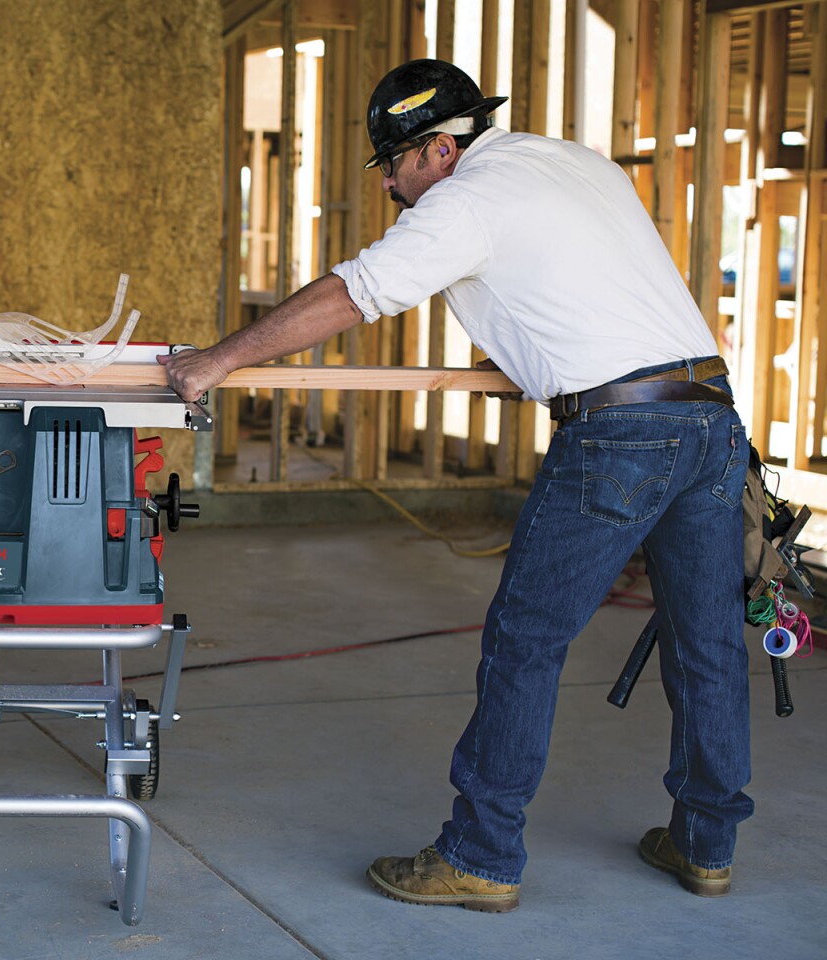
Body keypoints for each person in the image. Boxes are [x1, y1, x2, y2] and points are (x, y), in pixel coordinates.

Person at [159, 59, 751, 912]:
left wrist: (217, 360)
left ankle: (480, 855)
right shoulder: (572, 162)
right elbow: (583, 285)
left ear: (439, 149)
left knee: (526, 638)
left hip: (623, 433)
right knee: (708, 641)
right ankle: (706, 844)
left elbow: (353, 293)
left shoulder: (464, 202)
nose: (394, 190)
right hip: (710, 416)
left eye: (393, 168)